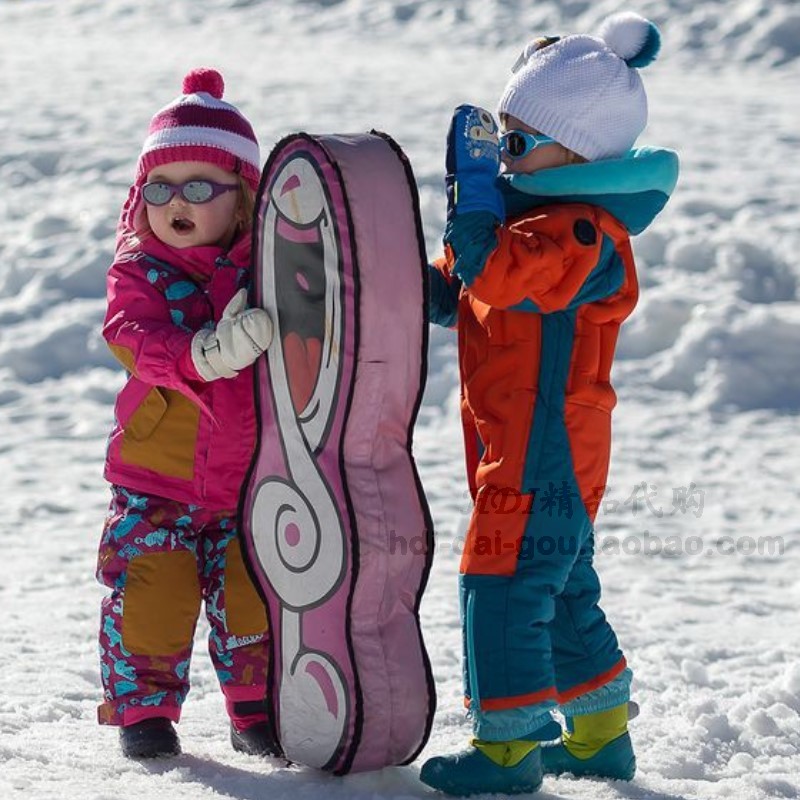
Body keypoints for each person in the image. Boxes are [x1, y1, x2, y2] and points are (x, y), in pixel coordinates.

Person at [421, 12, 679, 796]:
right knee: (560, 587)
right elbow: (463, 288)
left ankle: (505, 751)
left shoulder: (581, 231)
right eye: (503, 139)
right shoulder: (526, 221)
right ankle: (601, 734)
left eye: (519, 143)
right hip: (525, 444)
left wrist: (472, 205)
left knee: (497, 580)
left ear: (582, 148)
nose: (504, 158)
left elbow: (496, 273)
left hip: (546, 450)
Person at [96, 68, 275, 760]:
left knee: (254, 593)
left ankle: (257, 709)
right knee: (154, 592)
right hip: (156, 478)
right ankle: (144, 709)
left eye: (200, 187)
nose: (178, 202)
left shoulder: (270, 268)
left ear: (244, 198)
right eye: (162, 188)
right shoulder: (138, 269)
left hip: (248, 480)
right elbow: (131, 336)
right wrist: (202, 352)